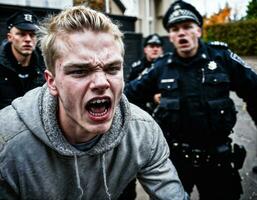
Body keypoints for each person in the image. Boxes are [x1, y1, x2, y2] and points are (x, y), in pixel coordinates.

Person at [0, 6, 188, 200]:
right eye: (80, 71)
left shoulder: (143, 132)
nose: (101, 83)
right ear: (51, 81)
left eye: (112, 68)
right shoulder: (6, 144)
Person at [125, 1, 257, 199]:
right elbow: (128, 96)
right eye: (175, 29)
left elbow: (254, 89)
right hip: (175, 162)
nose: (181, 33)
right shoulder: (161, 67)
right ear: (170, 36)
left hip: (217, 161)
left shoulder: (222, 58)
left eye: (187, 27)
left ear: (199, 30)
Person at [0, 9, 45, 109]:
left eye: (32, 35)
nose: (28, 39)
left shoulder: (46, 66)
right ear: (10, 37)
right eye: (21, 34)